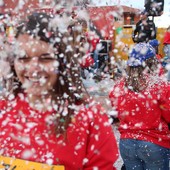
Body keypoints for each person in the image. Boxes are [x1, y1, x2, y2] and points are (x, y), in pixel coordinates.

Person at [0, 12, 119, 169]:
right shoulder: (3, 111)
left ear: (62, 62)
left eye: (46, 58)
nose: (34, 68)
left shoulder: (90, 118)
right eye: (23, 58)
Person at [109, 43, 170, 170]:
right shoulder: (160, 86)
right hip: (155, 143)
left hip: (127, 144)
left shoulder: (119, 86)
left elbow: (115, 111)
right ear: (152, 63)